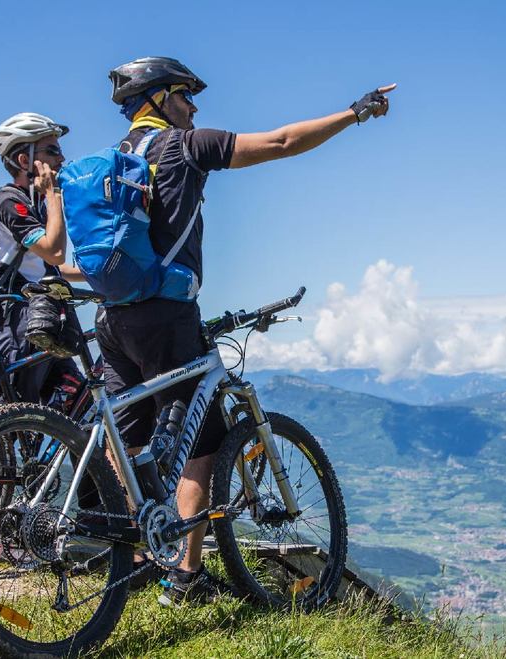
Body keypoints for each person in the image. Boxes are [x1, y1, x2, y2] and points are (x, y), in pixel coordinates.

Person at [96, 56, 395, 606]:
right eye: (186, 96)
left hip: (112, 317)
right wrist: (353, 114)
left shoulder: (111, 160)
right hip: (166, 311)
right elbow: (281, 142)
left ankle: (133, 557)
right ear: (159, 98)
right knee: (203, 444)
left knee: (128, 437)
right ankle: (183, 578)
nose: (194, 106)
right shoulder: (185, 145)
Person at [0, 112, 84, 409]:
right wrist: (54, 196)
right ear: (24, 161)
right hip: (18, 322)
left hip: (44, 318)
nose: (61, 158)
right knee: (12, 423)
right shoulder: (9, 202)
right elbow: (54, 251)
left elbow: (49, 265)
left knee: (75, 401)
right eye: (52, 151)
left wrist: (102, 276)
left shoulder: (32, 202)